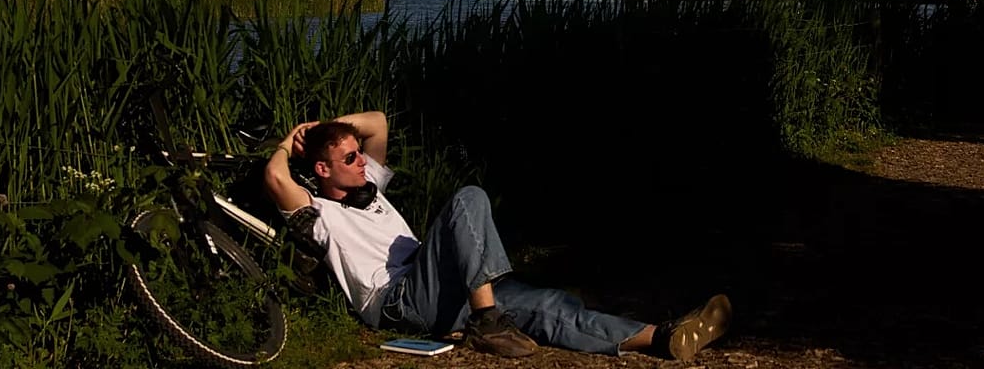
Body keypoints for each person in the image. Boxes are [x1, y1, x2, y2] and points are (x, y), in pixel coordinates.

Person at [264, 112, 732, 361]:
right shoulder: (320, 212)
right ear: (322, 169)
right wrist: (292, 140)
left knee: (548, 306)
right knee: (468, 198)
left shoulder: (371, 187)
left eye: (359, 155)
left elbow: (378, 122)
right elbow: (275, 175)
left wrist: (326, 128)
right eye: (349, 159)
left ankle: (663, 338)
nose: (362, 160)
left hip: (441, 289)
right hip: (399, 299)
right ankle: (487, 320)